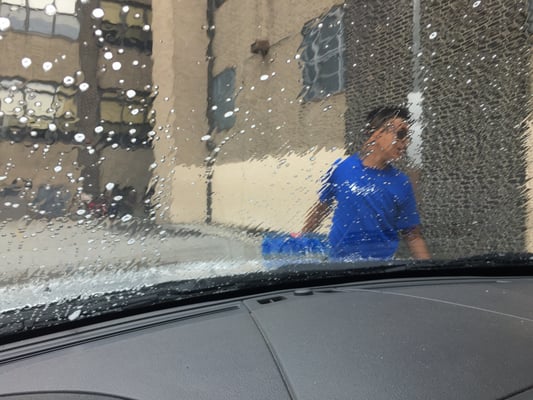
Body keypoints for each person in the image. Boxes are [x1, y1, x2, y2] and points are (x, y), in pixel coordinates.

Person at [300, 105, 430, 260]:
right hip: (338, 267)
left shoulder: (401, 183)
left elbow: (412, 235)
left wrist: (430, 270)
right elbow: (321, 208)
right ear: (376, 133)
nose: (406, 142)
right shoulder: (342, 169)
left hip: (381, 269)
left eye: (408, 137)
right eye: (401, 134)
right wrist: (302, 240)